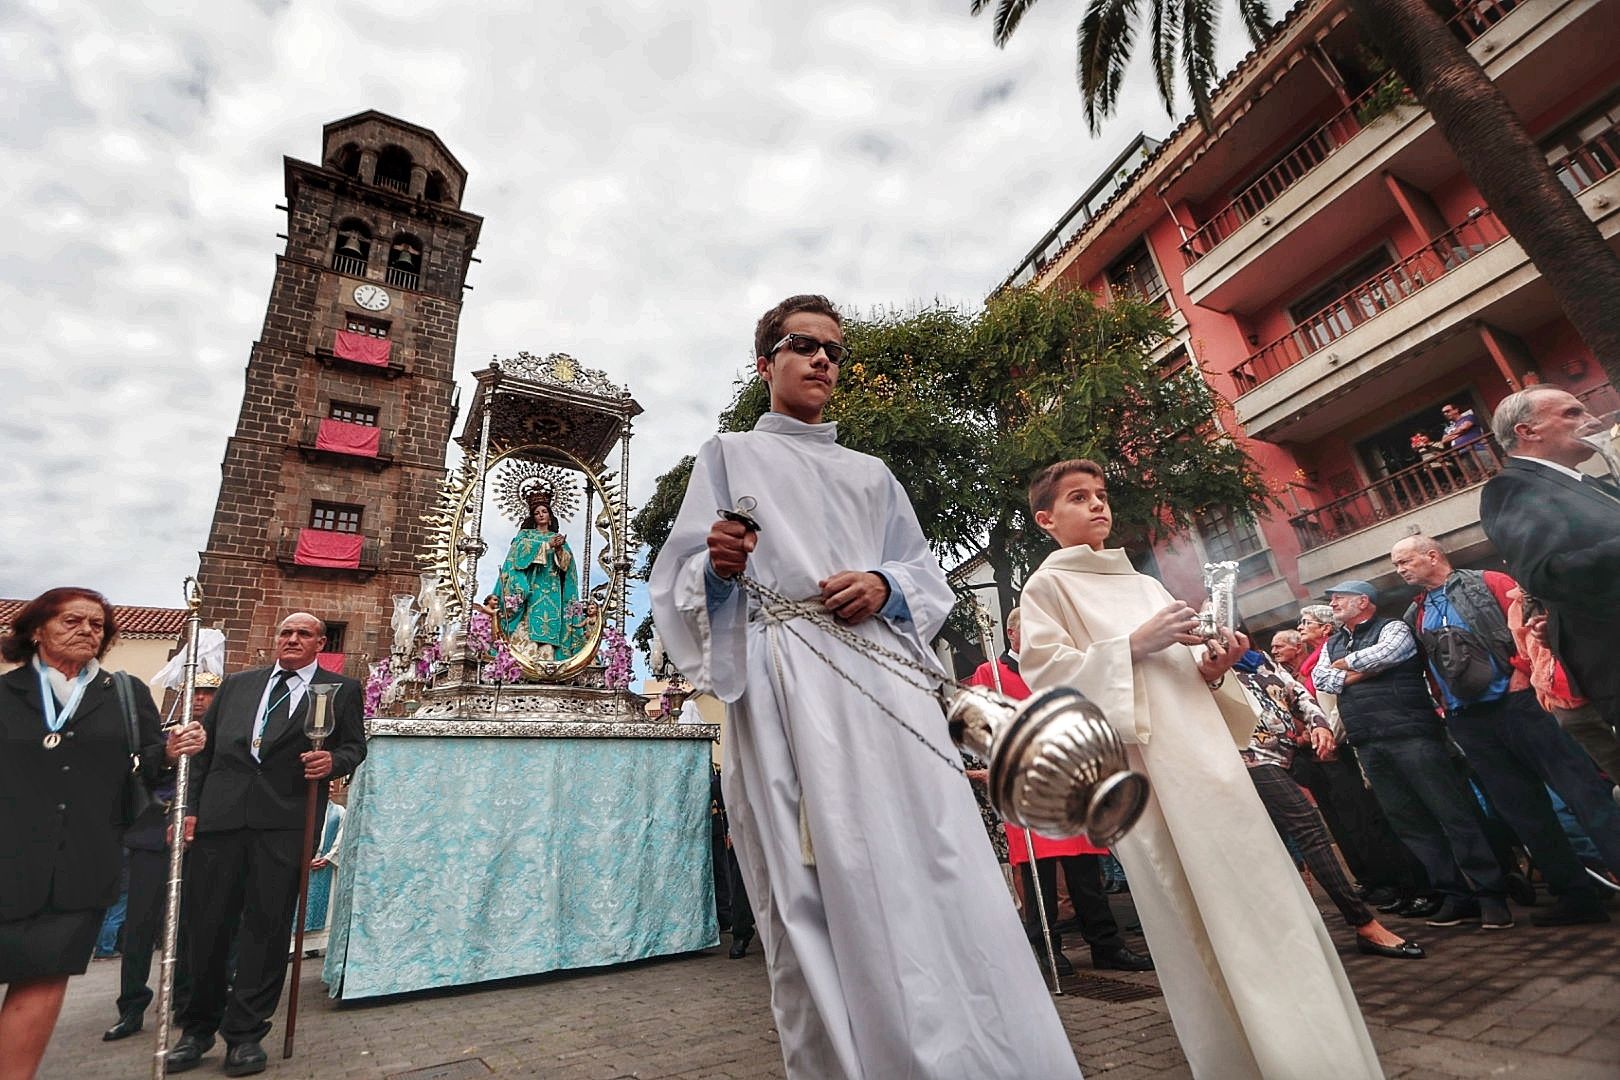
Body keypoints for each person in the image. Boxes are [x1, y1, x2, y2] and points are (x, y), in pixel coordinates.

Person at [649, 294, 1080, 1079]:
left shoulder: (873, 474)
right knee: (818, 875)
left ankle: (982, 1049)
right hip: (786, 682)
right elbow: (677, 584)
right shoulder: (729, 455)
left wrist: (885, 583)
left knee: (934, 854)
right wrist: (717, 570)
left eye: (834, 350)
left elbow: (922, 571)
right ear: (765, 363)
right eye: (802, 345)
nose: (822, 359)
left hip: (886, 680)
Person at [1019, 459, 1382, 1079]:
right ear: (1046, 519)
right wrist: (1131, 646)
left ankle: (1315, 1053)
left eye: (1102, 495)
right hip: (1148, 776)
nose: (1098, 506)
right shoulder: (1046, 588)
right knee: (1194, 916)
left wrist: (1214, 669)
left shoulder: (1145, 585)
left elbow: (1182, 670)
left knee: (1261, 900)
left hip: (1210, 762)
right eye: (1079, 498)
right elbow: (1048, 684)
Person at [0, 587, 205, 1080]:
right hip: (8, 854)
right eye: (72, 620)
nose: (87, 630)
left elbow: (142, 768)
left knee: (41, 981)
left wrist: (172, 750)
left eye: (97, 624)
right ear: (36, 630)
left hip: (80, 862)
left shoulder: (124, 696)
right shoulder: (6, 696)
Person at [166, 613, 366, 1077]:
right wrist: (189, 808)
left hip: (286, 821)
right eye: (285, 632)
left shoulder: (340, 691)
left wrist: (332, 760)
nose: (292, 639)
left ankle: (246, 1034)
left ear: (320, 643)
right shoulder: (237, 686)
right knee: (207, 927)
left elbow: (355, 746)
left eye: (303, 634)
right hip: (221, 819)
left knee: (267, 926)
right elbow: (205, 752)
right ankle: (195, 1030)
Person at [1391, 533, 1615, 925]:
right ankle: (1577, 897)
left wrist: (1522, 670)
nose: (1400, 570)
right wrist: (1446, 706)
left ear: (1432, 555)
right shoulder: (1416, 613)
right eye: (1397, 565)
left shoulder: (1488, 581)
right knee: (1524, 813)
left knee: (1583, 792)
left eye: (1405, 561)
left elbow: (1532, 624)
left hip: (1520, 705)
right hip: (1471, 723)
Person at [1312, 581, 1514, 929]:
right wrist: (1357, 671)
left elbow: (1388, 654)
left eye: (1338, 597)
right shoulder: (1331, 642)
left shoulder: (1394, 627)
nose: (1332, 603)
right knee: (1410, 822)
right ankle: (1455, 896)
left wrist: (1345, 668)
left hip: (1410, 734)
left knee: (1451, 813)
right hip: (1369, 743)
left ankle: (1491, 894)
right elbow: (1322, 679)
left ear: (1364, 601)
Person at [965, 607, 1152, 976]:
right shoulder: (990, 673)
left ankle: (1106, 946)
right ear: (1012, 634)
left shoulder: (1054, 668)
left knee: (1086, 870)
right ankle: (1045, 946)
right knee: (1040, 872)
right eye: (1030, 631)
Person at [1229, 648, 1424, 959]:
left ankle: (1284, 933)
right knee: (1309, 830)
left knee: (1274, 843)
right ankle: (1364, 924)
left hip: (1285, 756)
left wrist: (1318, 723)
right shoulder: (1206, 662)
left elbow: (1298, 694)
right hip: (1247, 760)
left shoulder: (1258, 659)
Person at [1480, 387, 1620, 741]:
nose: (1591, 420)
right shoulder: (1511, 487)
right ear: (1527, 431)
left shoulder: (1589, 484)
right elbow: (1546, 574)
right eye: (1572, 413)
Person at [103, 670, 222, 1043]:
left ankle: (184, 1001)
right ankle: (132, 1006)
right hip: (152, 840)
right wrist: (169, 755)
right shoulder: (166, 731)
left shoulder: (224, 739)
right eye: (194, 692)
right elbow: (145, 772)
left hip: (198, 843)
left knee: (190, 927)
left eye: (207, 692)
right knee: (139, 928)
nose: (200, 698)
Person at [494, 484, 585, 662]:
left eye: (544, 511)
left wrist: (559, 550)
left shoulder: (558, 538)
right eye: (537, 512)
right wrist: (546, 546)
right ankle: (527, 658)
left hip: (552, 587)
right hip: (532, 586)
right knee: (530, 620)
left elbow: (567, 566)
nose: (541, 514)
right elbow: (518, 557)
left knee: (551, 622)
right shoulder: (526, 535)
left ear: (550, 516)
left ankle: (549, 659)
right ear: (533, 517)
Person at [302, 779, 348, 933]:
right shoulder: (305, 808)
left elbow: (342, 835)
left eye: (331, 786)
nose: (329, 789)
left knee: (325, 906)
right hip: (304, 864)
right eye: (326, 786)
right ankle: (294, 946)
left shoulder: (340, 811)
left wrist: (328, 858)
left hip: (326, 864)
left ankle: (314, 946)